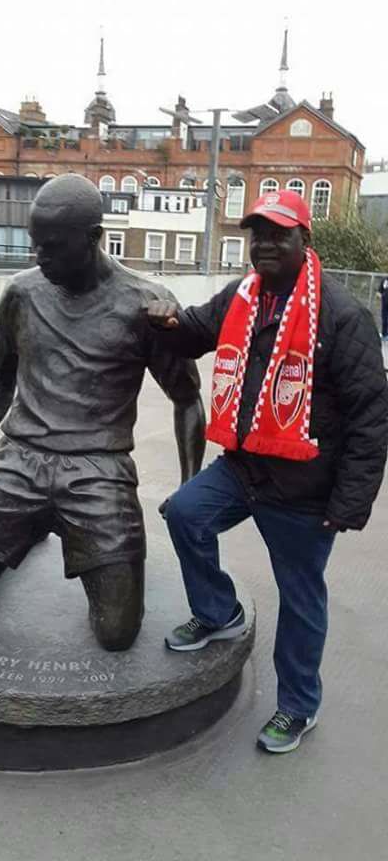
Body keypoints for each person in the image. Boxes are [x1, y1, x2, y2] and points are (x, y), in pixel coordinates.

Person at [147, 189, 388, 753]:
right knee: (185, 513)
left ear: (305, 240)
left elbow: (372, 419)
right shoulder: (242, 297)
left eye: (279, 233)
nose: (266, 244)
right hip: (243, 468)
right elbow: (196, 331)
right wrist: (166, 322)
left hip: (305, 489)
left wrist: (349, 504)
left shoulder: (342, 315)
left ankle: (297, 707)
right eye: (258, 234)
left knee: (300, 600)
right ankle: (219, 612)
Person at [0, 174, 205, 652]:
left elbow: (187, 399)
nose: (40, 257)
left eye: (53, 246)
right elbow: (0, 378)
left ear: (94, 238)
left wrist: (189, 489)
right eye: (36, 245)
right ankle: (24, 529)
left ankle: (68, 537)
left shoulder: (145, 304)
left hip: (100, 469)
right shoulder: (21, 294)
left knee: (117, 632)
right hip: (19, 461)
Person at [377, 275, 388, 339]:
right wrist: (382, 297)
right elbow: (379, 291)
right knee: (384, 319)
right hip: (385, 303)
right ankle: (384, 334)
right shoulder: (384, 280)